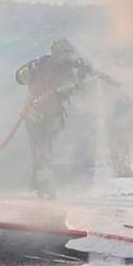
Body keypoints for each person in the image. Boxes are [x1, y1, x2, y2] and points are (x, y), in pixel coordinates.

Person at [15, 38, 93, 197]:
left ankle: (39, 184)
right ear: (55, 53)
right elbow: (19, 78)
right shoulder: (41, 65)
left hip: (53, 119)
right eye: (64, 53)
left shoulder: (67, 71)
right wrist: (30, 69)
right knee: (42, 152)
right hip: (35, 116)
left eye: (69, 54)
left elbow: (77, 90)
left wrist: (81, 77)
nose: (67, 57)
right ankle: (44, 188)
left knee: (44, 152)